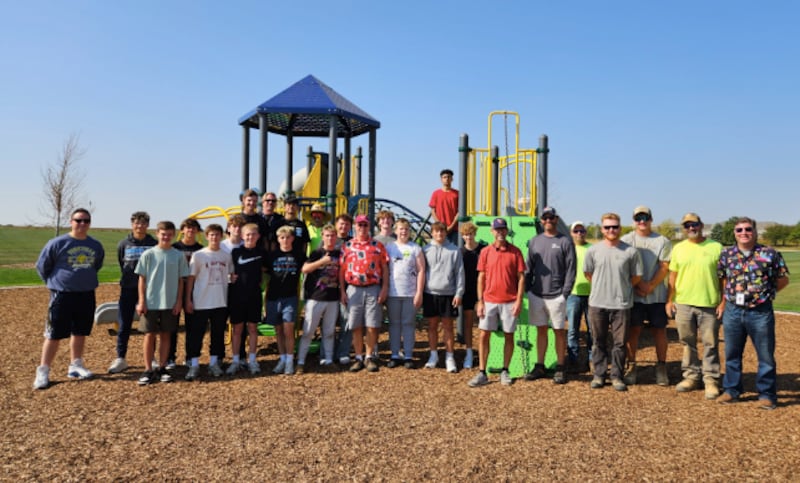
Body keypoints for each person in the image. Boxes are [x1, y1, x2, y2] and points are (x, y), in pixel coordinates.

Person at [717, 217, 790, 410]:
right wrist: (724, 302)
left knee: (765, 356)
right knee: (732, 353)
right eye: (739, 230)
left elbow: (782, 279)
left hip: (760, 312)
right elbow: (724, 279)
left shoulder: (769, 253)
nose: (743, 233)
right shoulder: (727, 254)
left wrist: (767, 295)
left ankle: (766, 395)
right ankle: (732, 390)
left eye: (747, 229)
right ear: (734, 233)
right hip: (733, 311)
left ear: (755, 231)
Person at [33, 208, 105, 390]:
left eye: (86, 221)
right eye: (78, 220)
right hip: (62, 294)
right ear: (71, 221)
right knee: (54, 333)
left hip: (86, 293)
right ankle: (43, 370)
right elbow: (43, 266)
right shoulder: (57, 243)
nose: (82, 224)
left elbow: (96, 265)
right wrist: (54, 283)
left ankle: (76, 365)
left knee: (80, 331)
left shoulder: (95, 245)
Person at [665, 213, 724, 399]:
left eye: (694, 224)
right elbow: (672, 277)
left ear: (701, 225)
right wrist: (669, 300)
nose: (691, 228)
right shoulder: (679, 249)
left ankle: (711, 380)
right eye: (687, 225)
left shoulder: (716, 247)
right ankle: (691, 376)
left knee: (710, 343)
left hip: (709, 303)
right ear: (683, 228)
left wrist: (723, 302)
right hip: (683, 303)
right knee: (687, 343)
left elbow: (724, 278)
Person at [583, 213, 643, 392]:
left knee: (619, 343)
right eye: (607, 227)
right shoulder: (593, 250)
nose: (611, 230)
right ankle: (599, 375)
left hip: (621, 304)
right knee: (598, 340)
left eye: (614, 227)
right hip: (597, 303)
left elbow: (636, 276)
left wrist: (621, 287)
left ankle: (617, 376)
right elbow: (588, 274)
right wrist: (602, 285)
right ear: (602, 229)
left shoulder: (630, 252)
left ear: (619, 228)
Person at [467, 218, 525, 388]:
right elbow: (481, 278)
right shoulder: (485, 252)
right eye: (497, 229)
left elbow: (521, 278)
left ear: (507, 231)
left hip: (510, 301)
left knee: (509, 335)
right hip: (489, 301)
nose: (500, 232)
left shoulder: (516, 252)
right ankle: (482, 372)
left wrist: (519, 300)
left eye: (503, 229)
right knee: (484, 334)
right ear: (492, 232)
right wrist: (480, 301)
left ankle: (505, 370)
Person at [523, 207, 576, 385]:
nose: (548, 221)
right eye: (545, 218)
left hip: (556, 296)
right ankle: (540, 365)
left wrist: (565, 293)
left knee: (559, 331)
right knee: (541, 331)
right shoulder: (534, 241)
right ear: (541, 220)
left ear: (556, 219)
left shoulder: (565, 242)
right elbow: (528, 268)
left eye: (551, 217)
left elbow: (571, 270)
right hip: (537, 294)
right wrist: (527, 290)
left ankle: (560, 367)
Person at [620, 206, 672, 386]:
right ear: (633, 220)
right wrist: (638, 284)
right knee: (633, 330)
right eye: (638, 218)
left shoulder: (662, 241)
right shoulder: (626, 240)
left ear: (651, 219)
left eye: (645, 217)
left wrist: (650, 285)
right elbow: (624, 266)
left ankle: (661, 367)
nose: (642, 221)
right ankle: (632, 365)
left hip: (656, 295)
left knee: (659, 331)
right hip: (633, 295)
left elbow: (664, 266)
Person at [134, 221, 190, 385]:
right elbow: (141, 279)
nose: (166, 237)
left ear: (173, 235)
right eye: (163, 234)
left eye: (169, 234)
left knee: (166, 335)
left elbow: (181, 281)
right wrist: (141, 300)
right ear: (157, 234)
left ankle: (163, 367)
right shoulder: (149, 254)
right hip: (151, 302)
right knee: (149, 335)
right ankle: (148, 369)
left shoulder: (178, 255)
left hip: (170, 302)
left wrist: (179, 301)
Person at [340, 214, 389, 373]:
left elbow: (385, 268)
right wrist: (342, 290)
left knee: (372, 325)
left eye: (365, 225)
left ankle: (369, 357)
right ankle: (358, 357)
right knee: (356, 325)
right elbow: (341, 270)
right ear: (355, 226)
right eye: (359, 225)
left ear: (369, 227)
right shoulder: (347, 246)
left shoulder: (377, 245)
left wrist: (384, 288)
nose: (362, 228)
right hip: (353, 288)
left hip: (373, 287)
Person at [185, 224, 234, 380]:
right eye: (211, 235)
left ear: (221, 236)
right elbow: (191, 278)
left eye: (217, 235)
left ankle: (214, 363)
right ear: (206, 236)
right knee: (196, 334)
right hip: (201, 301)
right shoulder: (199, 255)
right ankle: (194, 364)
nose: (214, 238)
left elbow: (231, 275)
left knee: (218, 335)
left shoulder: (226, 256)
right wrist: (188, 299)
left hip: (220, 301)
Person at [109, 211, 156, 374]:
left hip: (150, 290)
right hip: (128, 289)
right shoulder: (124, 244)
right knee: (124, 324)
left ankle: (152, 358)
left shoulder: (153, 243)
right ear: (132, 224)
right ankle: (120, 358)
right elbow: (122, 264)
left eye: (143, 223)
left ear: (148, 225)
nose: (140, 226)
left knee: (150, 325)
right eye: (137, 223)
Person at [297, 224, 341, 373]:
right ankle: (301, 361)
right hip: (315, 297)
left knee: (329, 331)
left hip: (332, 297)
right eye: (327, 235)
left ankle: (328, 360)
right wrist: (322, 262)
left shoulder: (339, 254)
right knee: (308, 331)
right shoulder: (317, 253)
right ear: (323, 236)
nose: (330, 238)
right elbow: (305, 269)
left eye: (333, 236)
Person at [423, 222, 464, 372]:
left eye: (442, 231)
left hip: (448, 293)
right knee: (432, 326)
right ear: (432, 233)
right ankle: (433, 355)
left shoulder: (454, 250)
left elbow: (459, 273)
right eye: (436, 231)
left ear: (446, 233)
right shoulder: (425, 250)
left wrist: (459, 293)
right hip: (430, 293)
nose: (439, 234)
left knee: (448, 327)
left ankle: (449, 356)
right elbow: (422, 272)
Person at [265, 225, 306, 375]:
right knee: (278, 330)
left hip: (290, 296)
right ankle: (282, 358)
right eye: (282, 237)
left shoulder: (299, 255)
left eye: (288, 237)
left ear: (293, 239)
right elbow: (263, 271)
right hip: (273, 296)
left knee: (289, 329)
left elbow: (307, 267)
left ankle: (289, 360)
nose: (285, 240)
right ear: (278, 239)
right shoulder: (272, 256)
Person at [228, 223, 267, 376]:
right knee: (237, 329)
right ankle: (236, 361)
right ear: (242, 236)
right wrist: (229, 277)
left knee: (252, 328)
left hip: (254, 296)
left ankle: (252, 360)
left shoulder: (262, 253)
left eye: (253, 234)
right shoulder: (235, 252)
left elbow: (267, 269)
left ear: (258, 236)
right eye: (247, 235)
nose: (250, 237)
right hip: (237, 296)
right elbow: (227, 270)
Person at [385, 218, 425, 369]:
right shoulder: (389, 247)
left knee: (408, 324)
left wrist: (419, 292)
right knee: (394, 324)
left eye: (406, 229)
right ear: (395, 231)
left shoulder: (415, 248)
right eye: (401, 229)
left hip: (410, 293)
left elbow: (421, 270)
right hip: (392, 293)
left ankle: (408, 354)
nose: (404, 231)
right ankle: (395, 354)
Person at [169, 218, 204, 369]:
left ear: (197, 231)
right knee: (171, 326)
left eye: (193, 228)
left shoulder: (201, 249)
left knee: (193, 326)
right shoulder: (174, 248)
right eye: (187, 228)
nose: (190, 231)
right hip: (175, 289)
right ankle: (170, 357)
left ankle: (190, 357)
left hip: (193, 290)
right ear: (182, 230)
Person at [459, 221, 487, 369]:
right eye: (465, 234)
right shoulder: (460, 253)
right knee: (469, 323)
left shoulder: (483, 250)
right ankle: (469, 352)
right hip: (467, 291)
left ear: (474, 234)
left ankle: (484, 352)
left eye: (470, 234)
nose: (468, 237)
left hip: (483, 291)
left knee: (484, 325)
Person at [566, 221, 592, 373]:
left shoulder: (592, 249)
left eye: (582, 231)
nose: (579, 234)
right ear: (571, 233)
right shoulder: (568, 249)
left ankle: (591, 360)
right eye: (576, 231)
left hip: (591, 294)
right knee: (572, 330)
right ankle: (573, 360)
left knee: (592, 330)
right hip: (573, 294)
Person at [429, 168, 460, 245]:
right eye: (444, 177)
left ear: (452, 179)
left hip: (454, 229)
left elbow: (460, 211)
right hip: (439, 229)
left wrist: (451, 226)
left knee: (454, 250)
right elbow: (433, 210)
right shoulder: (436, 193)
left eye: (449, 177)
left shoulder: (457, 194)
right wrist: (439, 224)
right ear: (441, 179)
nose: (447, 179)